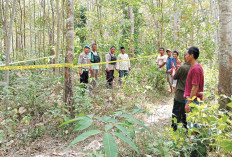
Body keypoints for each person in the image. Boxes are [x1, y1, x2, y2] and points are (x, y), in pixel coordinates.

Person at [184, 46, 204, 129]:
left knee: (192, 125)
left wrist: (188, 103)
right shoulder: (195, 67)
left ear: (191, 55)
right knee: (192, 123)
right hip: (193, 100)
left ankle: (193, 141)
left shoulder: (195, 69)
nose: (186, 56)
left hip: (193, 101)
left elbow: (195, 87)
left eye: (187, 54)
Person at [171, 52, 191, 131]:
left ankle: (175, 128)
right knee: (185, 114)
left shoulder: (183, 68)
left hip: (180, 94)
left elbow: (175, 77)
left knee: (176, 113)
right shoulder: (195, 67)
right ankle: (185, 129)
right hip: (190, 95)